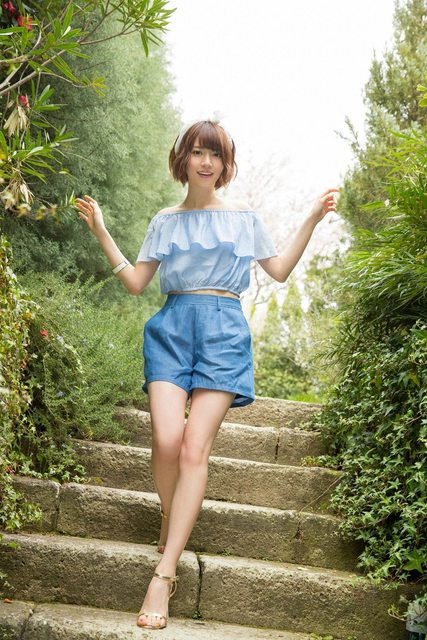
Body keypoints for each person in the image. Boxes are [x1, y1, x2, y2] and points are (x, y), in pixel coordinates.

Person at [75, 116, 338, 630]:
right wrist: (101, 231)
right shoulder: (165, 221)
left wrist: (310, 217)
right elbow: (136, 283)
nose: (206, 161)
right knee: (166, 439)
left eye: (215, 154)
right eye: (197, 151)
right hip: (172, 327)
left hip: (223, 330)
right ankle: (172, 517)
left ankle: (165, 572)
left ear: (225, 164)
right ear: (183, 159)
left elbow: (279, 270)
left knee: (195, 447)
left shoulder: (243, 218)